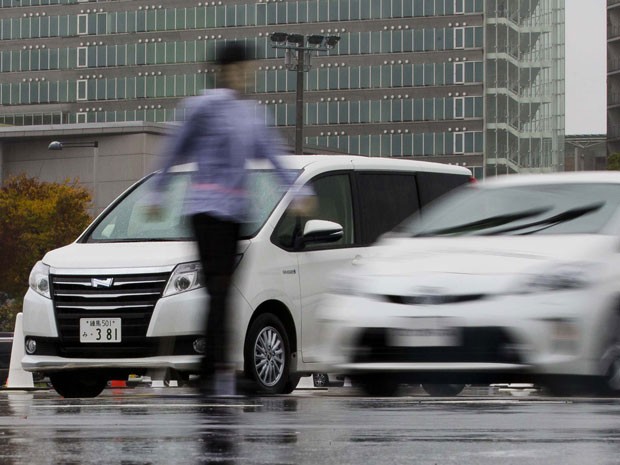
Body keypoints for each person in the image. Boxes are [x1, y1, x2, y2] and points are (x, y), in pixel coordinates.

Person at [147, 41, 315, 397]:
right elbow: (174, 149)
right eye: (240, 68)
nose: (246, 74)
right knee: (219, 291)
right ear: (225, 70)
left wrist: (298, 192)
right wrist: (157, 191)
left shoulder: (251, 114)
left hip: (235, 215)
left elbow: (272, 153)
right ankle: (214, 372)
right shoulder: (202, 108)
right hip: (206, 211)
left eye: (248, 68)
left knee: (223, 294)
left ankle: (215, 371)